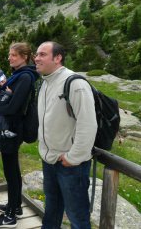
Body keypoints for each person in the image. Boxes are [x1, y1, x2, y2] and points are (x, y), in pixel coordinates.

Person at [34, 41, 97, 229]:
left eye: (42, 54)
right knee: (52, 210)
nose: (36, 58)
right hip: (50, 159)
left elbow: (88, 124)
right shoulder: (45, 82)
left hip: (70, 164)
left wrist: (73, 157)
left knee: (77, 217)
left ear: (58, 57)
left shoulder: (75, 83)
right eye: (36, 54)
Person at [0, 43, 39, 228]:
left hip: (13, 130)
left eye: (13, 55)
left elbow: (13, 108)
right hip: (12, 129)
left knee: (11, 172)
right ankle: (15, 207)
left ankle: (9, 217)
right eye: (9, 54)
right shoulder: (19, 76)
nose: (9, 58)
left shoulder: (25, 77)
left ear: (24, 57)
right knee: (12, 170)